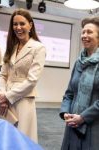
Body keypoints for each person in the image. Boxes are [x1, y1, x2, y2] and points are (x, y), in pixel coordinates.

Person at [0, 8, 46, 143]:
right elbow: (2, 75)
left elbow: (32, 80)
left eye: (22, 24)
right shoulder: (12, 47)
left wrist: (7, 97)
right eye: (15, 24)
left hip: (23, 100)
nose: (18, 27)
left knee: (21, 139)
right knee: (5, 139)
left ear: (30, 25)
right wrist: (2, 96)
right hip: (5, 102)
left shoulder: (38, 48)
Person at [59, 16, 99, 150]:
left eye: (89, 32)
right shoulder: (78, 62)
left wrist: (83, 117)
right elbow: (69, 93)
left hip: (94, 126)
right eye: (83, 32)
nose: (85, 35)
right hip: (72, 124)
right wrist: (65, 111)